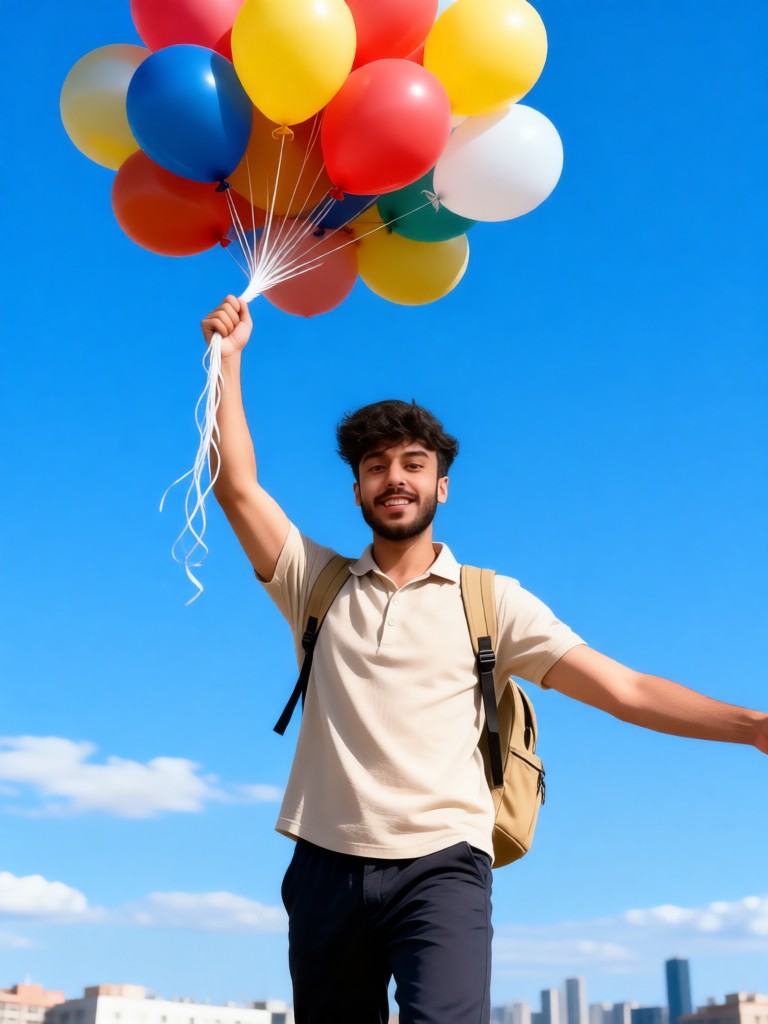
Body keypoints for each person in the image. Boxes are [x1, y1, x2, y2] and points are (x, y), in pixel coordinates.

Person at [201, 295, 768, 1024]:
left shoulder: (489, 601)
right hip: (324, 864)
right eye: (376, 467)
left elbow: (621, 688)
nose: (394, 477)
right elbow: (235, 484)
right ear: (357, 490)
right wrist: (228, 359)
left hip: (442, 865)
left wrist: (751, 725)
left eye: (413, 463)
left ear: (442, 485)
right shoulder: (315, 581)